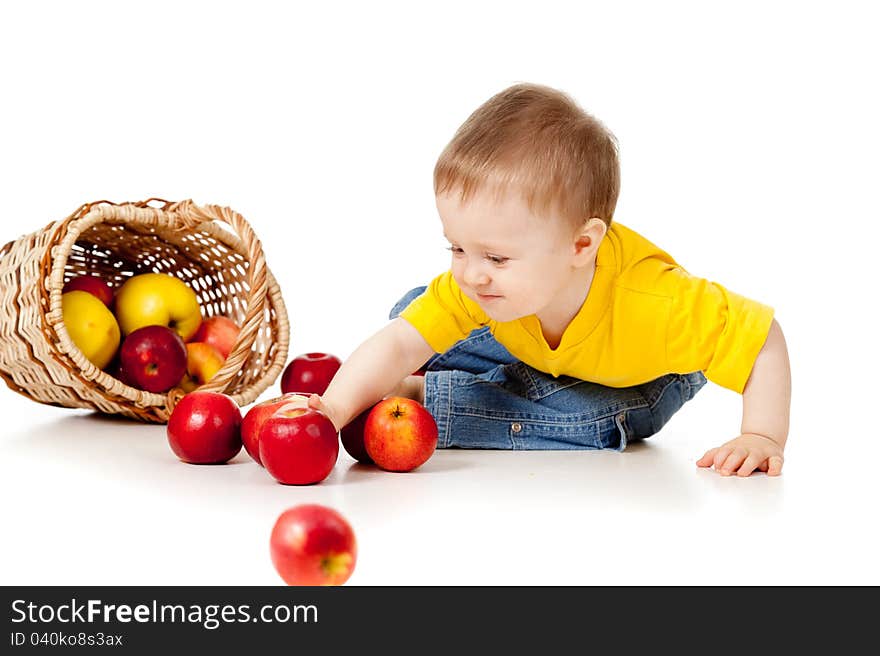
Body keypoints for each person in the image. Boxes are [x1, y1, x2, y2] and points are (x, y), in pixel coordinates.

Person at [309, 83, 791, 477]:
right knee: (411, 310)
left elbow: (761, 337)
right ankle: (515, 375)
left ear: (581, 246)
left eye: (496, 256)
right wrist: (331, 410)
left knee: (592, 417)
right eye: (456, 247)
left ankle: (434, 396)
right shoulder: (486, 279)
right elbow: (400, 342)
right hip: (538, 333)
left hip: (642, 376)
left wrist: (762, 434)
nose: (471, 273)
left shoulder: (657, 304)